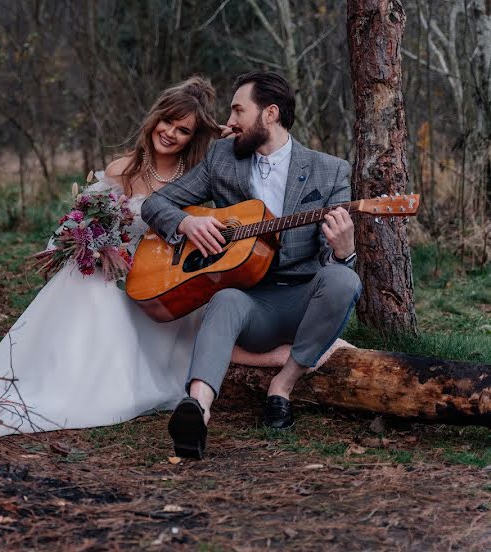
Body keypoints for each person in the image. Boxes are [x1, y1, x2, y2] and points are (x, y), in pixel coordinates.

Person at [0, 76, 301, 436]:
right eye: (167, 122)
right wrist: (92, 245)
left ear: (194, 137)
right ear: (154, 119)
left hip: (162, 274)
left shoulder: (193, 174)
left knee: (171, 304)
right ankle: (67, 377)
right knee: (91, 289)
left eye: (184, 130)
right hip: (114, 268)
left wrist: (227, 131)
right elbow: (87, 219)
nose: (171, 133)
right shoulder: (120, 170)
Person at [141, 70, 362, 459]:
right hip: (249, 301)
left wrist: (344, 251)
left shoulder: (331, 171)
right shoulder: (223, 158)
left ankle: (283, 387)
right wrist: (186, 222)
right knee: (225, 299)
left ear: (270, 113)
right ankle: (197, 410)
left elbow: (333, 261)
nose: (229, 121)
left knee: (343, 279)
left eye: (238, 110)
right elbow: (155, 204)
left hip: (301, 301)